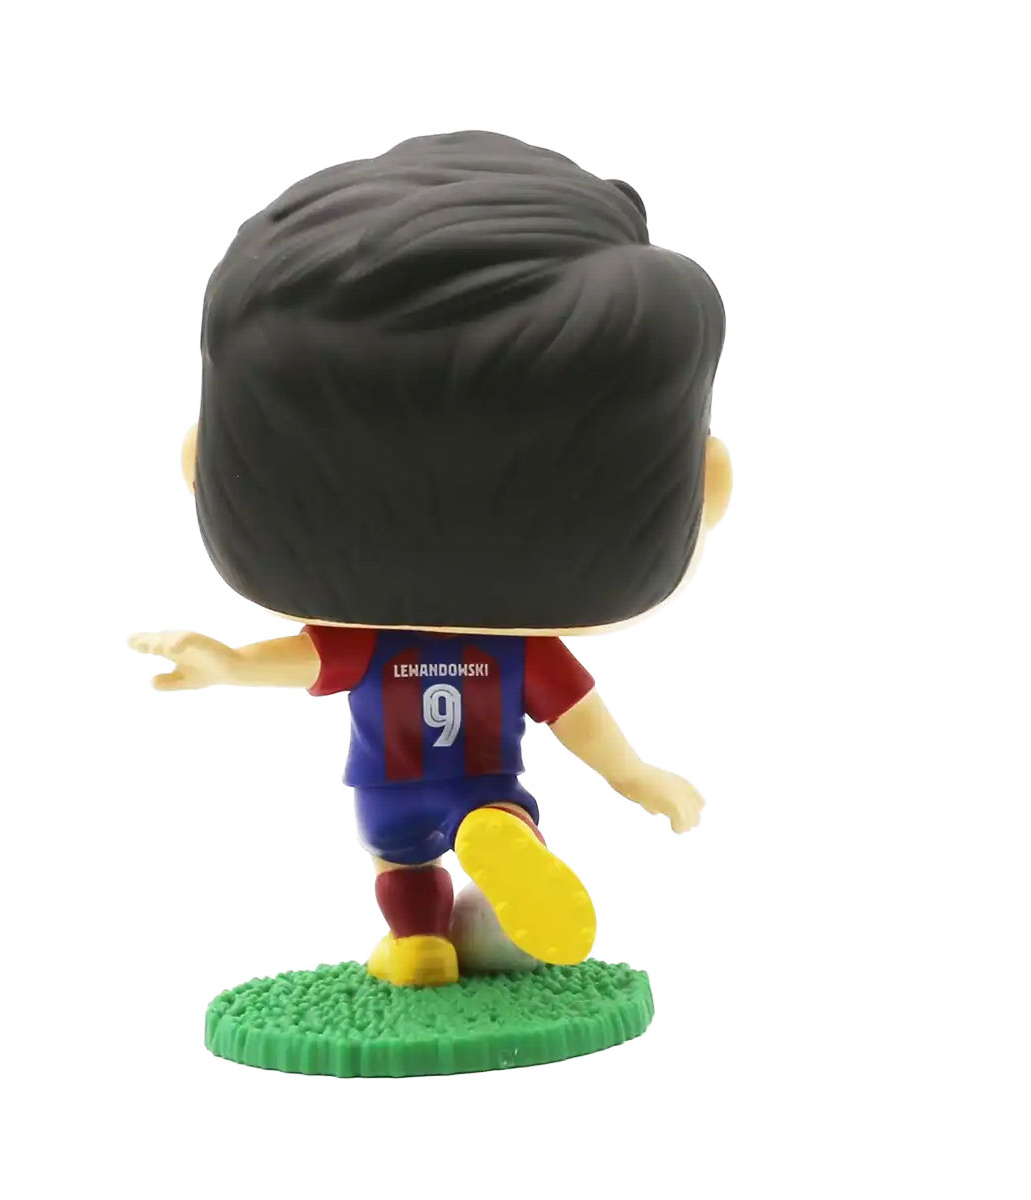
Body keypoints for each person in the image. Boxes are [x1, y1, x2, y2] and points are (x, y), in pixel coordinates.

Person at [131, 131, 732, 987]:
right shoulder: (520, 650)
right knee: (486, 817)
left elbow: (305, 661)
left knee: (399, 864)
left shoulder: (366, 644)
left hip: (387, 788)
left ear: (205, 463)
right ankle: (497, 836)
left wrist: (225, 663)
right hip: (484, 776)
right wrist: (634, 775)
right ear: (708, 484)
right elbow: (578, 716)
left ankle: (418, 942)